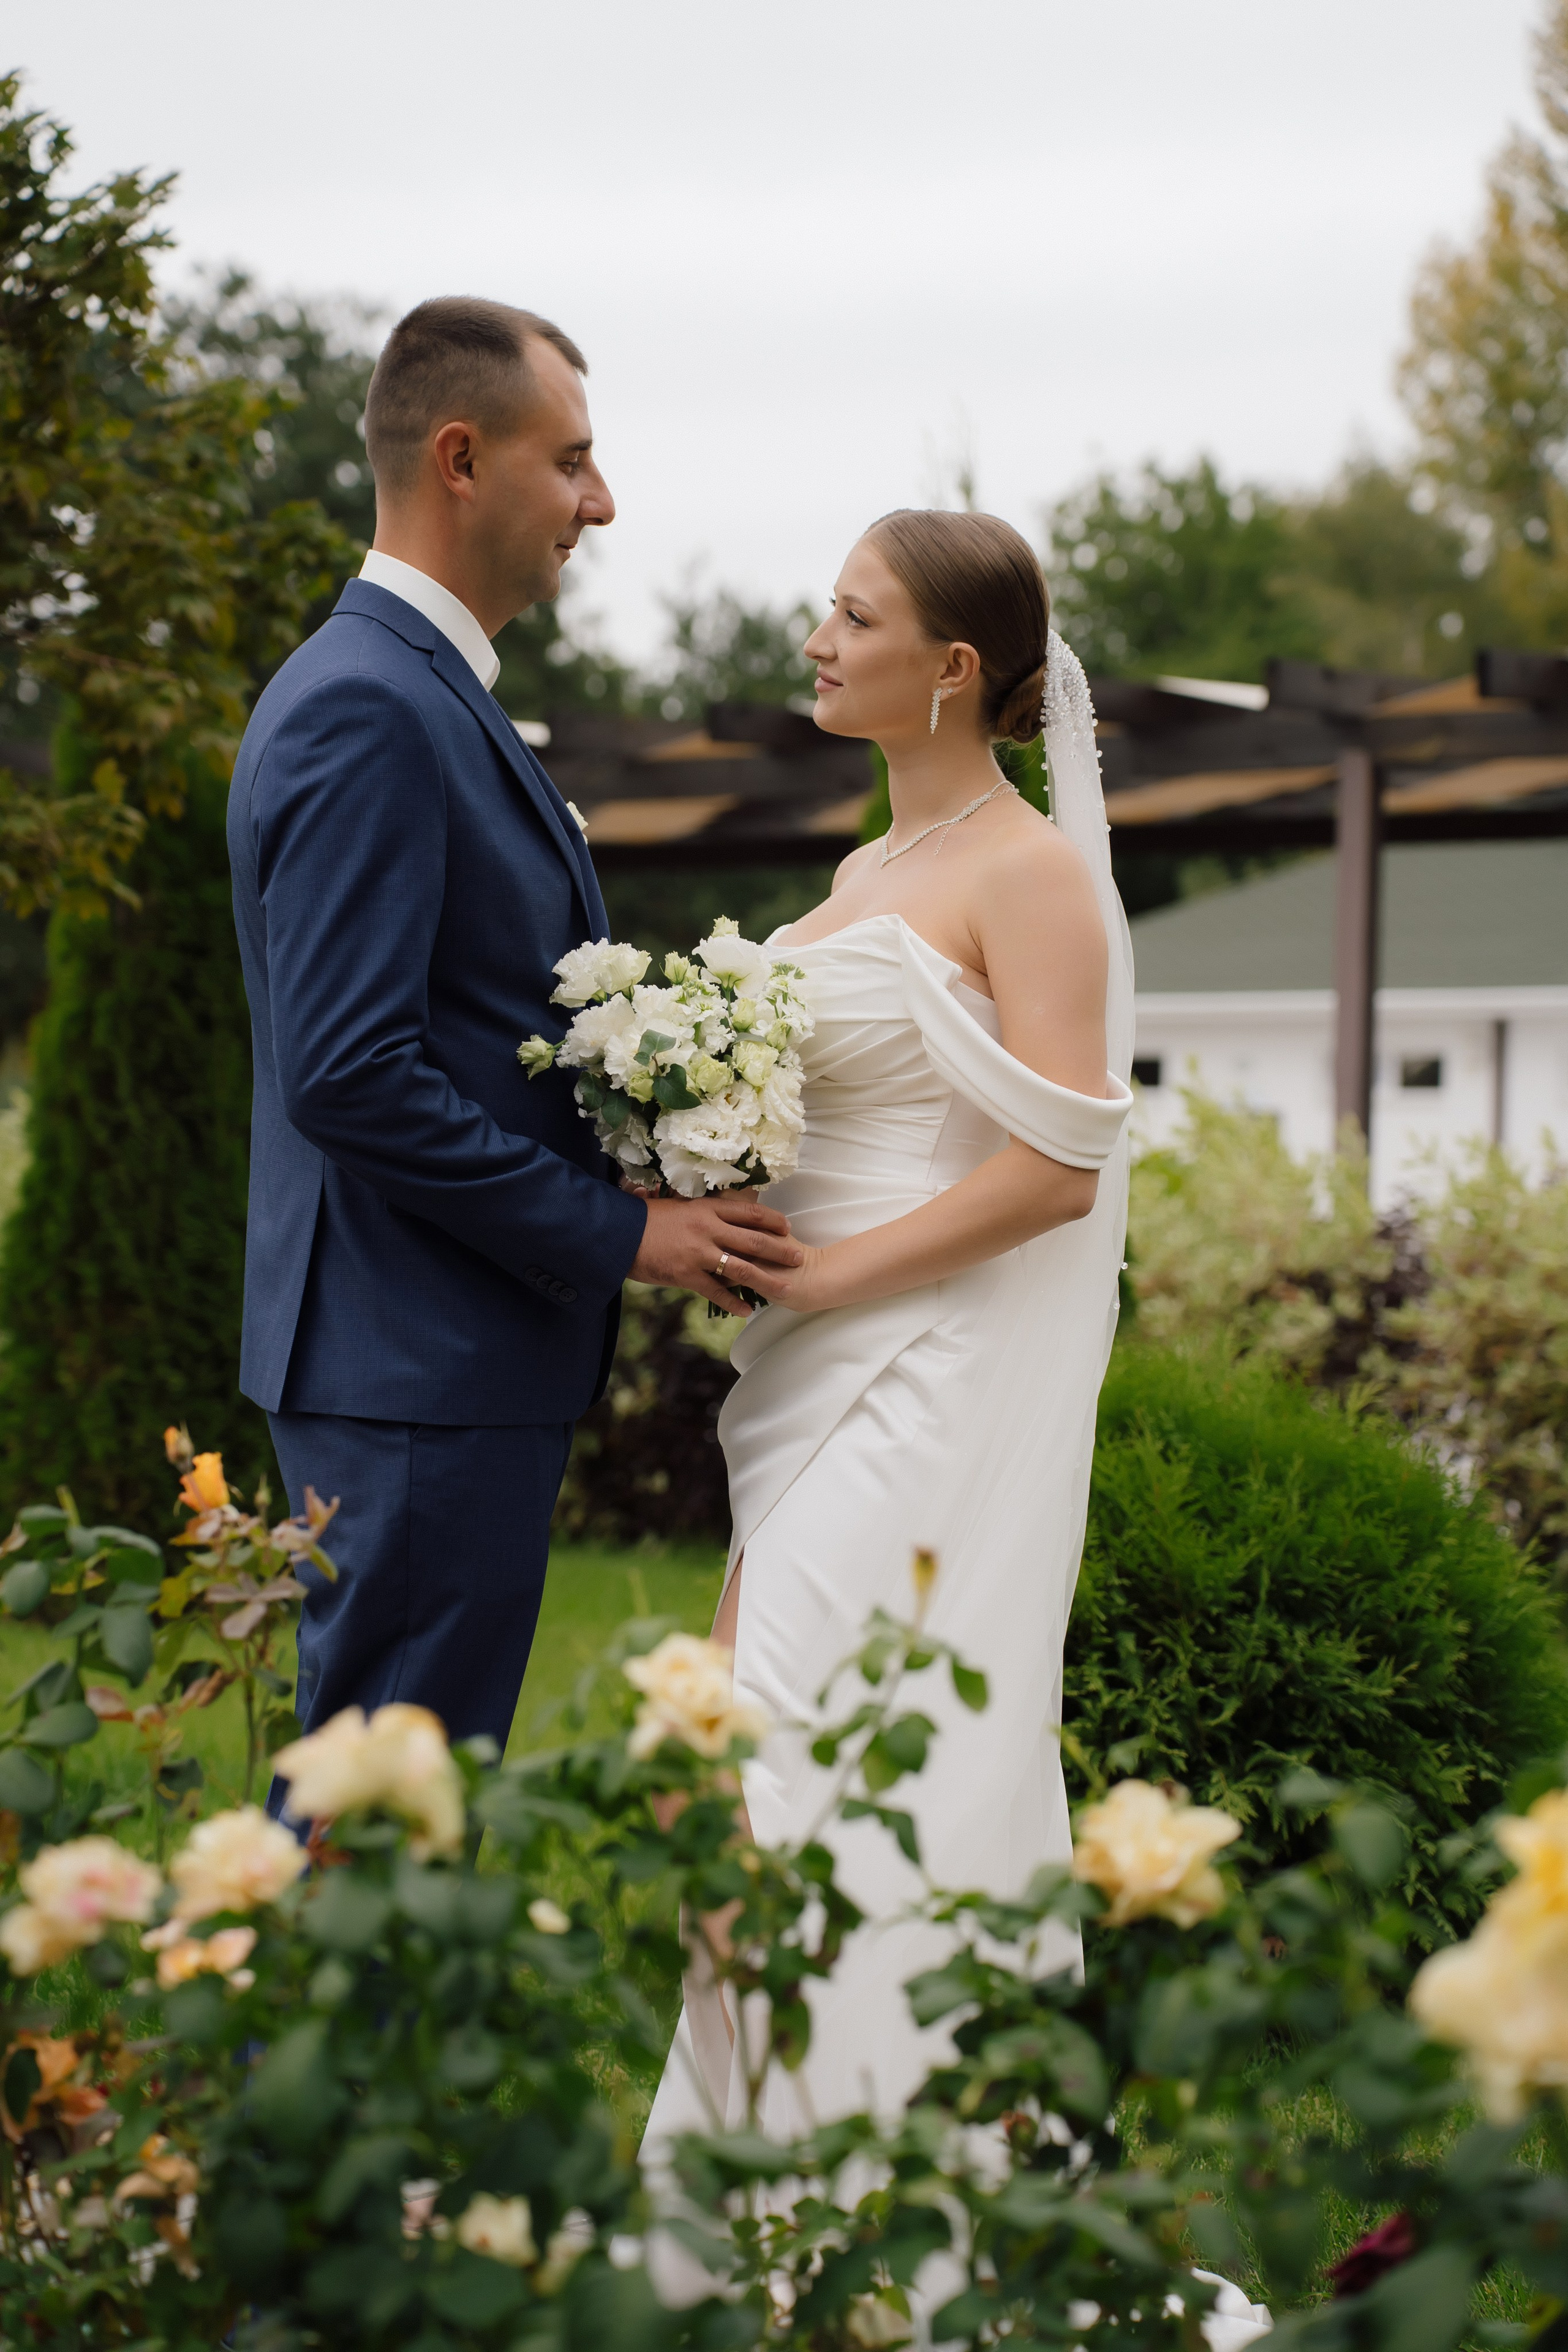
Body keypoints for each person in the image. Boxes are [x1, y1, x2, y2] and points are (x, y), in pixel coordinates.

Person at [227, 296, 802, 1794]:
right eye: (576, 462)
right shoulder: (366, 707)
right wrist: (625, 1231)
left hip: (438, 1353)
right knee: (382, 1823)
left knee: (405, 1808)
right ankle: (307, 2039)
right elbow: (348, 1074)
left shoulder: (416, 696)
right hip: (413, 1354)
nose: (601, 503)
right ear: (463, 457)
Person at [643, 509, 1136, 2166]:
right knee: (728, 1764)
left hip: (922, 1380)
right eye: (824, 607)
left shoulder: (1034, 872)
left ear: (951, 669)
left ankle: (894, 2196)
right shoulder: (862, 876)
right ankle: (759, 2184)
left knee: (822, 1778)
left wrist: (842, 1280)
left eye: (854, 617)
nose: (818, 638)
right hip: (803, 1376)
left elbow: (1064, 1163)